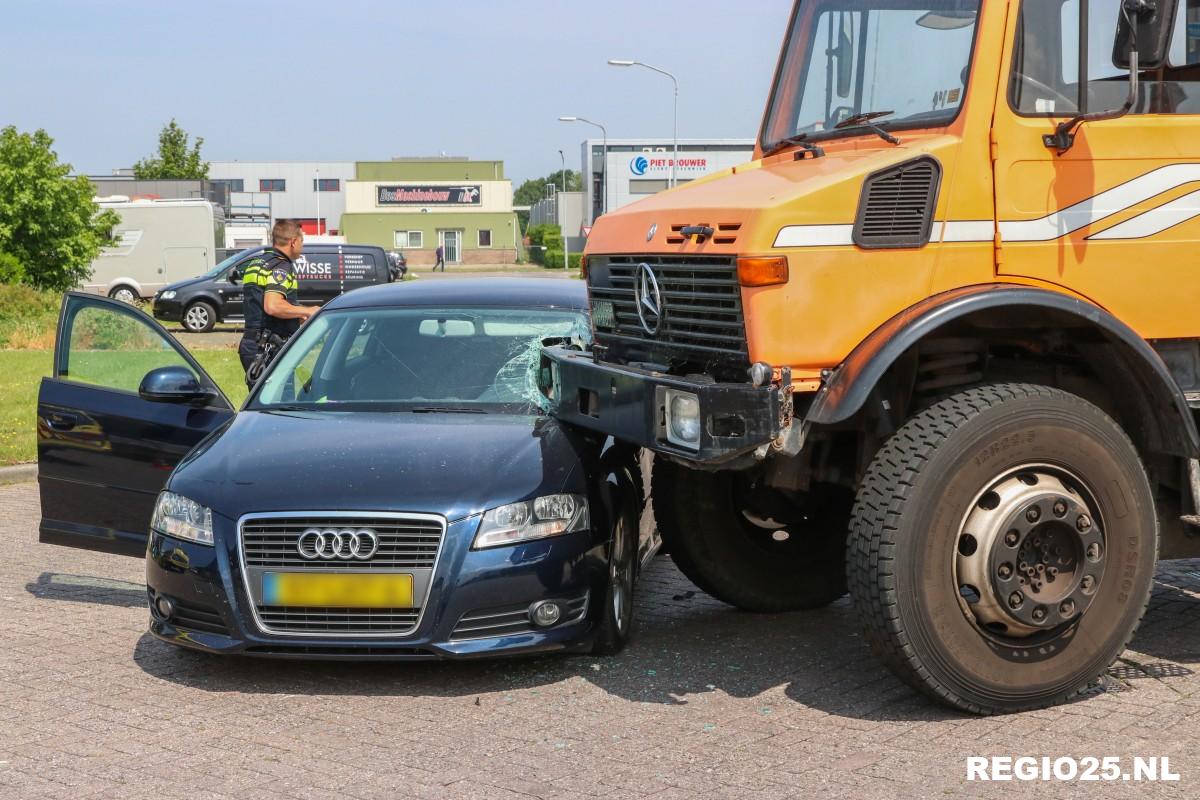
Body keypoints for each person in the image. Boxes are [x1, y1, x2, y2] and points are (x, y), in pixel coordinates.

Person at [243, 219, 318, 381]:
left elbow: (260, 305)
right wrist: (308, 311)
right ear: (293, 242)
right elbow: (272, 306)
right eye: (302, 240)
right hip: (269, 347)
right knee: (281, 402)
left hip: (251, 343)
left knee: (260, 402)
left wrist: (295, 314)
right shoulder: (281, 266)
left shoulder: (258, 263)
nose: (302, 246)